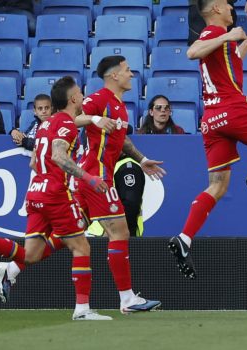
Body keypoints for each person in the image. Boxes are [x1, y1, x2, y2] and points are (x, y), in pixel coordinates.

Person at [0, 76, 113, 321]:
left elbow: (36, 161)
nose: (83, 96)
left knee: (31, 255)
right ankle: (82, 309)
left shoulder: (47, 124)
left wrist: (93, 119)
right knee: (81, 247)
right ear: (73, 98)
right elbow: (58, 156)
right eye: (80, 92)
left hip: (35, 192)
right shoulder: (66, 125)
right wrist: (88, 178)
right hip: (56, 194)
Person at [170, 0, 247, 279]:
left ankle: (185, 238)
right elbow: (192, 52)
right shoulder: (212, 33)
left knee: (217, 185)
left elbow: (232, 59)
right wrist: (229, 34)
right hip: (233, 109)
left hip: (212, 119)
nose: (231, 7)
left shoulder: (218, 40)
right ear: (215, 8)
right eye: (226, 4)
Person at [77, 55, 166, 313]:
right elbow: (70, 119)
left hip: (90, 177)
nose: (132, 74)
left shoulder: (119, 105)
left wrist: (143, 159)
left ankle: (13, 266)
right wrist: (93, 119)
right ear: (114, 75)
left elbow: (121, 140)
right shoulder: (99, 98)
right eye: (127, 70)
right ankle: (126, 299)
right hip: (97, 177)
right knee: (120, 233)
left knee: (68, 233)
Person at [86, 153, 147, 238]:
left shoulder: (128, 168)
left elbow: (130, 206)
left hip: (111, 237)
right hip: (97, 235)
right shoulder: (107, 166)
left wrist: (112, 233)